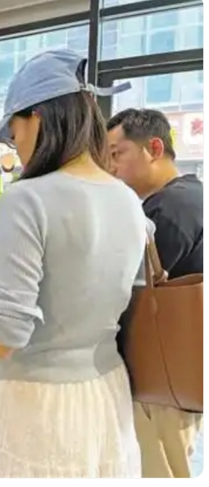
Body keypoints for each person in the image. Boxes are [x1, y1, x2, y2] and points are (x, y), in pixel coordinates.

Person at [0, 49, 147, 477]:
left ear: (37, 117)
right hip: (107, 393)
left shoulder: (25, 197)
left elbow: (3, 338)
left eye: (13, 132)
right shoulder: (128, 199)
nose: (16, 145)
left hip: (40, 406)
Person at [107, 108, 203, 478]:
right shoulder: (190, 196)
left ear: (155, 148)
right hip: (175, 374)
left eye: (118, 153)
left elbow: (125, 287)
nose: (111, 166)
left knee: (158, 469)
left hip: (160, 383)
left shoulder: (170, 208)